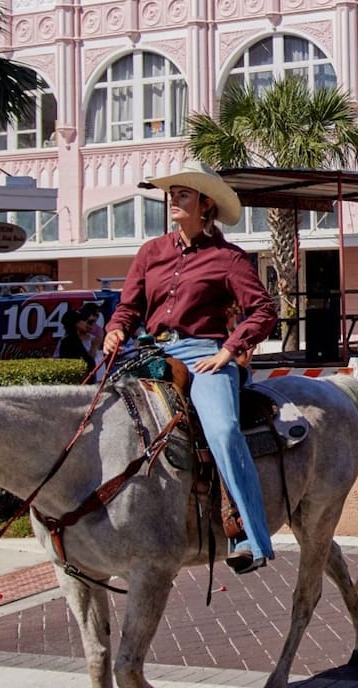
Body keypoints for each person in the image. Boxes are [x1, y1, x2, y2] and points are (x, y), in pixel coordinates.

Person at [103, 158, 278, 575]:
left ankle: (248, 536)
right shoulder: (150, 252)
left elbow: (264, 310)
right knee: (101, 417)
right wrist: (115, 330)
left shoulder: (228, 258)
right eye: (171, 195)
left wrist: (229, 350)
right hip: (150, 354)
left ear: (205, 205)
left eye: (182, 194)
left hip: (204, 354)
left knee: (222, 429)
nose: (173, 201)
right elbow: (128, 307)